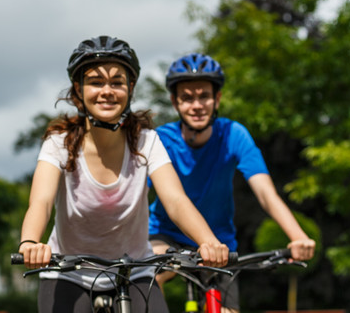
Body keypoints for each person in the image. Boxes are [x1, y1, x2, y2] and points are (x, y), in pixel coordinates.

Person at [18, 36, 229, 313]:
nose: (107, 91)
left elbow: (176, 200)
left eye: (117, 82)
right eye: (96, 82)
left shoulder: (146, 141)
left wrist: (208, 241)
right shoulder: (59, 143)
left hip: (135, 269)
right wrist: (30, 242)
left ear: (130, 89)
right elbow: (41, 202)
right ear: (78, 90)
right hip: (69, 271)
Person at [148, 53, 316, 311]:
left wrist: (297, 237)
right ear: (175, 102)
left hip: (219, 241)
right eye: (187, 98)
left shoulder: (234, 134)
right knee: (149, 278)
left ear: (217, 99)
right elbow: (135, 196)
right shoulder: (161, 139)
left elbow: (265, 193)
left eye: (203, 96)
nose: (196, 105)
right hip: (166, 234)